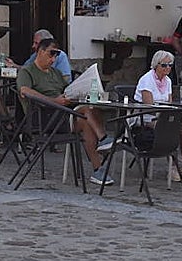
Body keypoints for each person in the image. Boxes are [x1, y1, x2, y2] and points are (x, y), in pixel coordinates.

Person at [16, 38, 111, 184]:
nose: (53, 59)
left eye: (55, 56)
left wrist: (76, 94)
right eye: (50, 55)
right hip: (41, 117)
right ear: (40, 52)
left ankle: (98, 169)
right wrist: (55, 101)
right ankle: (103, 141)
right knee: (85, 113)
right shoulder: (27, 72)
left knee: (90, 112)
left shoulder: (55, 73)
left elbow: (67, 90)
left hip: (62, 114)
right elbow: (25, 91)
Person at [133, 49, 182, 182]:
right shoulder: (147, 79)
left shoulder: (168, 81)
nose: (167, 68)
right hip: (146, 117)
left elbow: (169, 103)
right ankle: (173, 168)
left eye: (170, 65)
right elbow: (149, 106)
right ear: (156, 65)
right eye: (164, 65)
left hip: (162, 116)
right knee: (170, 128)